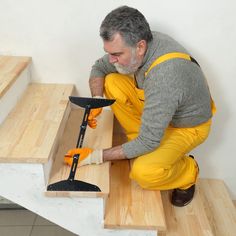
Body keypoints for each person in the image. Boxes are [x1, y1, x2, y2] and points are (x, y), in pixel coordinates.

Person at [64, 6, 215, 207]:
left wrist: (95, 156)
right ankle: (136, 144)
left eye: (117, 54)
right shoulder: (141, 42)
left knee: (143, 173)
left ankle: (189, 171)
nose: (111, 59)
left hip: (186, 127)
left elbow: (150, 140)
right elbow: (99, 68)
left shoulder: (166, 75)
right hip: (160, 109)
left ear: (141, 47)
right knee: (112, 81)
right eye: (108, 53)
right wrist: (97, 99)